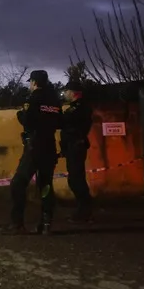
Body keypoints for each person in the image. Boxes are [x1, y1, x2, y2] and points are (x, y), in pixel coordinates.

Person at [3, 69, 62, 235]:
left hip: (34, 146)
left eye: (30, 82)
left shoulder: (33, 98)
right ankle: (46, 223)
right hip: (49, 147)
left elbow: (27, 120)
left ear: (34, 82)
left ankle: (17, 223)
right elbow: (59, 122)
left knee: (18, 183)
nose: (30, 85)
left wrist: (20, 115)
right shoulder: (55, 100)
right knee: (46, 185)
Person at [60, 81, 94, 222]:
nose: (65, 93)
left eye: (67, 91)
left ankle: (84, 211)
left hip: (76, 146)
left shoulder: (79, 108)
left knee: (76, 179)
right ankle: (83, 210)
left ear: (74, 92)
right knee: (75, 178)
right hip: (72, 146)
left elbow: (64, 121)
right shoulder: (76, 108)